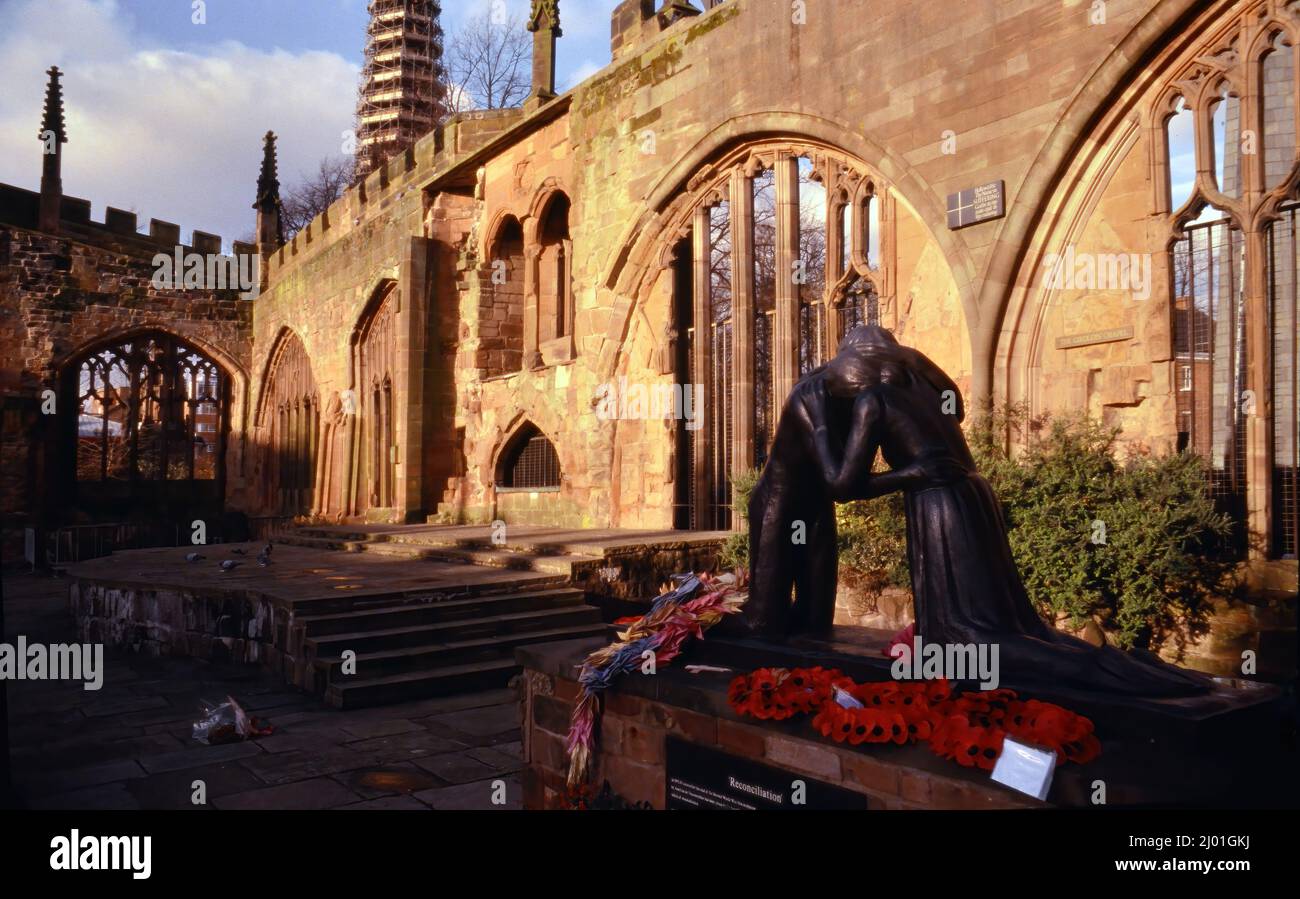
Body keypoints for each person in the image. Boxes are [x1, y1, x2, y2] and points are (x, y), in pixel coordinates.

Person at [798, 326, 1208, 697]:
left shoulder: (874, 401)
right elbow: (954, 409)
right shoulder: (925, 392)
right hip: (972, 495)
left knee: (963, 639)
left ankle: (1103, 670)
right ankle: (1119, 663)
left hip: (939, 504)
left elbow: (843, 487)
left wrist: (822, 423)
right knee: (1011, 624)